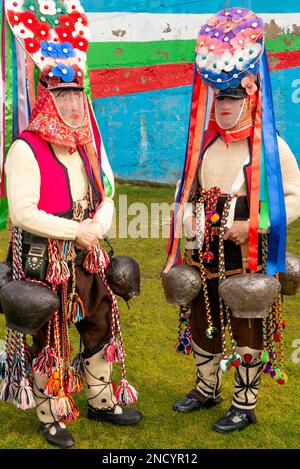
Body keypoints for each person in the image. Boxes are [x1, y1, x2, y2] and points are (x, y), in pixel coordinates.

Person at [1, 0, 142, 449]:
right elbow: (23, 212)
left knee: (99, 320)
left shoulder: (87, 144)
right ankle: (50, 413)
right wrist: (74, 231)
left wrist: (97, 225)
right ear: (46, 97)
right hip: (45, 261)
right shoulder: (25, 149)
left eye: (77, 96)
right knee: (49, 332)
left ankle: (101, 400)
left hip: (87, 254)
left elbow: (109, 192)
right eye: (62, 96)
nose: (73, 104)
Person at [165, 7, 300, 433]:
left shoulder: (272, 147)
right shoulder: (204, 146)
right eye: (219, 98)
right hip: (205, 255)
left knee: (246, 327)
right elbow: (184, 190)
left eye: (232, 98)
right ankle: (207, 389)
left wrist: (256, 224)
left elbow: (295, 197)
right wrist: (185, 214)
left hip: (247, 258)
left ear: (251, 95)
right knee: (203, 323)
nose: (224, 106)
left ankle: (245, 404)